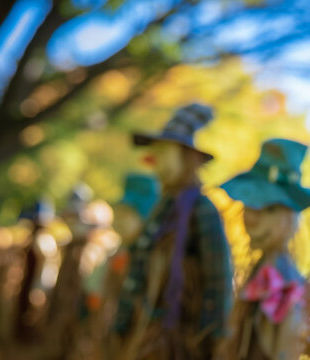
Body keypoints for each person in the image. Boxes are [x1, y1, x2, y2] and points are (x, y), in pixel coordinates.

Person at [112, 103, 233, 359]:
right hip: (147, 331)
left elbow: (218, 278)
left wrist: (212, 337)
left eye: (166, 154)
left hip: (182, 337)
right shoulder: (161, 209)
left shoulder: (201, 209)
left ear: (187, 157)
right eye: (157, 156)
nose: (159, 165)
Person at [219, 138, 310, 360]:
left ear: (291, 217)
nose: (252, 220)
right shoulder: (259, 277)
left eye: (268, 210)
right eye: (249, 206)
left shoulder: (286, 287)